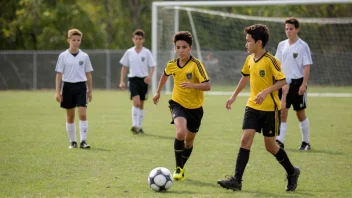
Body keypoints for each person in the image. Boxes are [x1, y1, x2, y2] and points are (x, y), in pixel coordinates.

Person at [217, 24, 300, 192]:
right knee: (245, 139)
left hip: (270, 110)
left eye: (248, 41)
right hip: (252, 107)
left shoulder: (271, 61)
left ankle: (292, 172)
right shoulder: (249, 60)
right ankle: (237, 180)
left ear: (259, 42)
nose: (246, 44)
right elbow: (245, 78)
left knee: (271, 147)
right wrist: (233, 96)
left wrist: (266, 91)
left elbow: (283, 81)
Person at [152, 31, 211, 181]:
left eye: (184, 47)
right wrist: (158, 92)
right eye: (178, 47)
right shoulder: (172, 64)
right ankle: (178, 168)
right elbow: (164, 76)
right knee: (180, 133)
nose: (181, 50)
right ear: (175, 48)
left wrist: (192, 85)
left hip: (196, 108)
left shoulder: (196, 64)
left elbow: (207, 85)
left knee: (189, 141)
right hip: (177, 103)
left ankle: (181, 166)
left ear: (190, 48)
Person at [275, 17, 312, 150]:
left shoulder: (303, 46)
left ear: (297, 29)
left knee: (300, 113)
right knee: (282, 111)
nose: (288, 31)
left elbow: (307, 66)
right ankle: (280, 140)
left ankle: (306, 142)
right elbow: (277, 64)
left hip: (298, 84)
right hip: (284, 84)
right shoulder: (281, 45)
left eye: (291, 29)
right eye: (286, 29)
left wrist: (303, 84)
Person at [55, 29, 93, 149]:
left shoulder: (84, 56)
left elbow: (88, 74)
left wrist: (90, 90)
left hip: (81, 86)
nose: (76, 42)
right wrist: (57, 92)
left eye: (78, 40)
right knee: (70, 115)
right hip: (67, 87)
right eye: (74, 40)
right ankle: (73, 141)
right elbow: (59, 75)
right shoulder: (63, 56)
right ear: (69, 40)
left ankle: (83, 141)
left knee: (82, 113)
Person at [119, 29, 156, 134]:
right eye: (136, 38)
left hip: (143, 80)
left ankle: (139, 126)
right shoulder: (129, 52)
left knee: (141, 104)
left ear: (143, 40)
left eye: (140, 39)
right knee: (136, 102)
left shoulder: (147, 52)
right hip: (133, 79)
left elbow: (152, 66)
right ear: (133, 39)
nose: (138, 40)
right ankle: (134, 125)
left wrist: (149, 76)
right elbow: (124, 67)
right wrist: (121, 81)